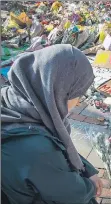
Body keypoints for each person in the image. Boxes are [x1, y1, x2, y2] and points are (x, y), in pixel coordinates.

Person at [1, 44, 103, 204]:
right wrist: (90, 186)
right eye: (77, 94)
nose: (78, 102)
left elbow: (59, 146)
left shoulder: (16, 101)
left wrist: (87, 168)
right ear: (57, 90)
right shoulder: (36, 150)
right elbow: (71, 195)